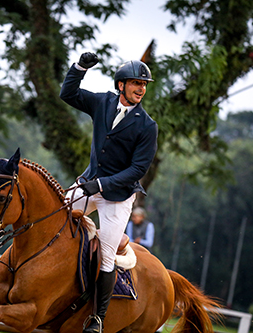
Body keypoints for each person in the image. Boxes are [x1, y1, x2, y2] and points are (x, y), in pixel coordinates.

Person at [60, 52, 158, 333]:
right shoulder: (103, 102)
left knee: (105, 255)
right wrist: (79, 68)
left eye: (144, 84)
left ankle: (97, 318)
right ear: (120, 85)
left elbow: (137, 169)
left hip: (117, 196)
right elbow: (68, 93)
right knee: (54, 220)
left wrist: (101, 185)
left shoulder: (147, 126)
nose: (141, 88)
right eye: (136, 83)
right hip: (88, 182)